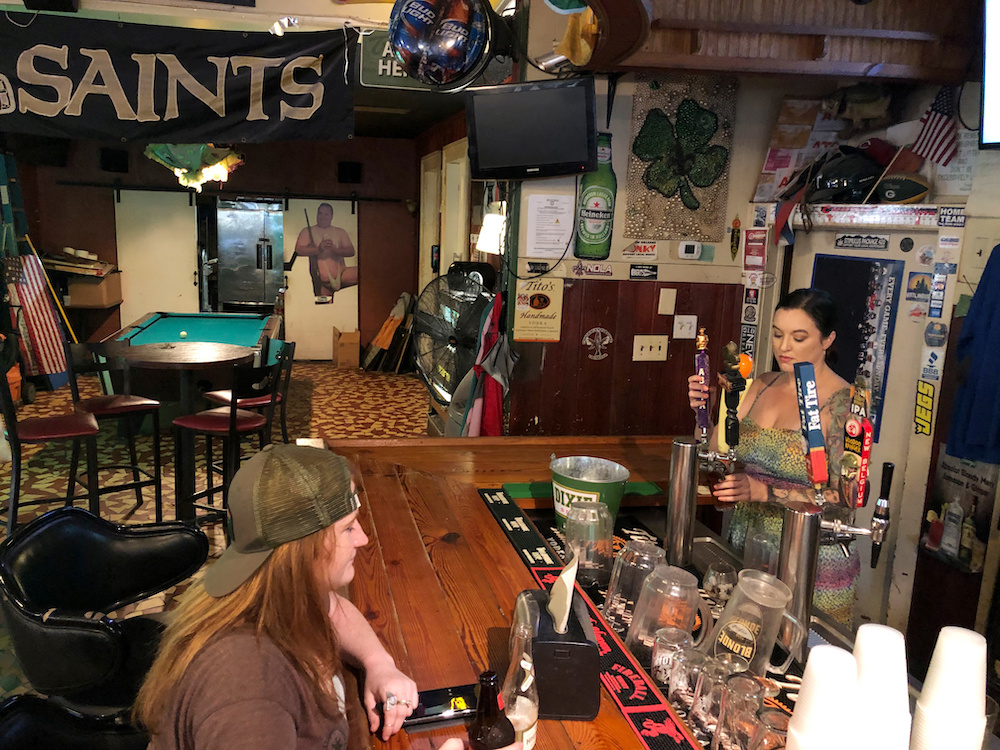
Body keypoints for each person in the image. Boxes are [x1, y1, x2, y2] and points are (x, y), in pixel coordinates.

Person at [135, 444, 520, 750]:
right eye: (348, 528)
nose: (364, 539)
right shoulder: (248, 688)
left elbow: (334, 611)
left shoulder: (275, 595)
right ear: (304, 549)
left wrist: (378, 661)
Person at [688, 288, 858, 627]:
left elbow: (846, 497)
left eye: (799, 337)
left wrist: (764, 491)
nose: (784, 347)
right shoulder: (762, 384)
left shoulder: (845, 403)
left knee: (794, 657)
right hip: (747, 546)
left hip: (808, 559)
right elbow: (714, 452)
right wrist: (702, 413)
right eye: (778, 335)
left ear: (828, 339)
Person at [294, 202, 358, 301]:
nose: (322, 217)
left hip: (342, 274)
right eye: (320, 213)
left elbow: (351, 251)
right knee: (323, 310)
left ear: (331, 216)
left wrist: (335, 249)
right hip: (323, 283)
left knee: (366, 272)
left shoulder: (340, 232)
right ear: (317, 215)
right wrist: (318, 249)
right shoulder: (308, 231)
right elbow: (299, 250)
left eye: (326, 214)